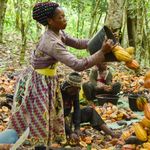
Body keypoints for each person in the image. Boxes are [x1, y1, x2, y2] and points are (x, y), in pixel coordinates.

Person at [5, 2, 114, 147]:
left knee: (47, 115)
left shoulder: (58, 33)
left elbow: (78, 43)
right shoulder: (51, 42)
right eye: (60, 17)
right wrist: (102, 52)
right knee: (38, 116)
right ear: (50, 21)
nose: (65, 19)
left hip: (48, 79)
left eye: (64, 16)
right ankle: (32, 144)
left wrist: (99, 43)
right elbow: (77, 65)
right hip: (38, 82)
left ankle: (43, 143)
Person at [61, 72, 119, 139]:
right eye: (73, 90)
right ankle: (68, 133)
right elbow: (57, 116)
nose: (75, 92)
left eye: (77, 89)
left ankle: (111, 133)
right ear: (68, 86)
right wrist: (70, 132)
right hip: (59, 121)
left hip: (69, 117)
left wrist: (77, 128)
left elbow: (77, 108)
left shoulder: (75, 91)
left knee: (90, 111)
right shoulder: (59, 93)